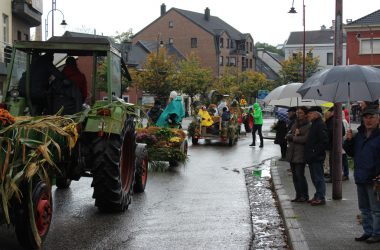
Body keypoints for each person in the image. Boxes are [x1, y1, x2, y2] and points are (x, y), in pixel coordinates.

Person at [344, 107, 380, 243]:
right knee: (364, 208)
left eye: (371, 117)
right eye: (366, 117)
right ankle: (368, 231)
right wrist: (348, 141)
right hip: (360, 176)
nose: (368, 120)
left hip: (375, 178)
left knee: (376, 209)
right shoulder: (359, 135)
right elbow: (351, 153)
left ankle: (377, 233)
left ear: (378, 119)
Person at [304, 106, 328, 206]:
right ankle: (317, 194)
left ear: (316, 113)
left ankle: (320, 197)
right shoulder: (314, 123)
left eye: (310, 113)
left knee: (318, 178)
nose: (308, 115)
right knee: (314, 178)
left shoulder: (320, 124)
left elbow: (324, 141)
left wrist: (314, 152)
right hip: (312, 156)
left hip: (316, 156)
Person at [286, 106, 311, 202]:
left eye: (300, 113)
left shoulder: (308, 125)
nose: (298, 114)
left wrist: (295, 137)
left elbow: (305, 139)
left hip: (301, 153)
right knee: (295, 176)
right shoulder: (295, 124)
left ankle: (304, 196)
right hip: (292, 153)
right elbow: (288, 135)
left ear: (305, 114)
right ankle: (298, 195)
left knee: (300, 175)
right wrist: (293, 135)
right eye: (297, 113)